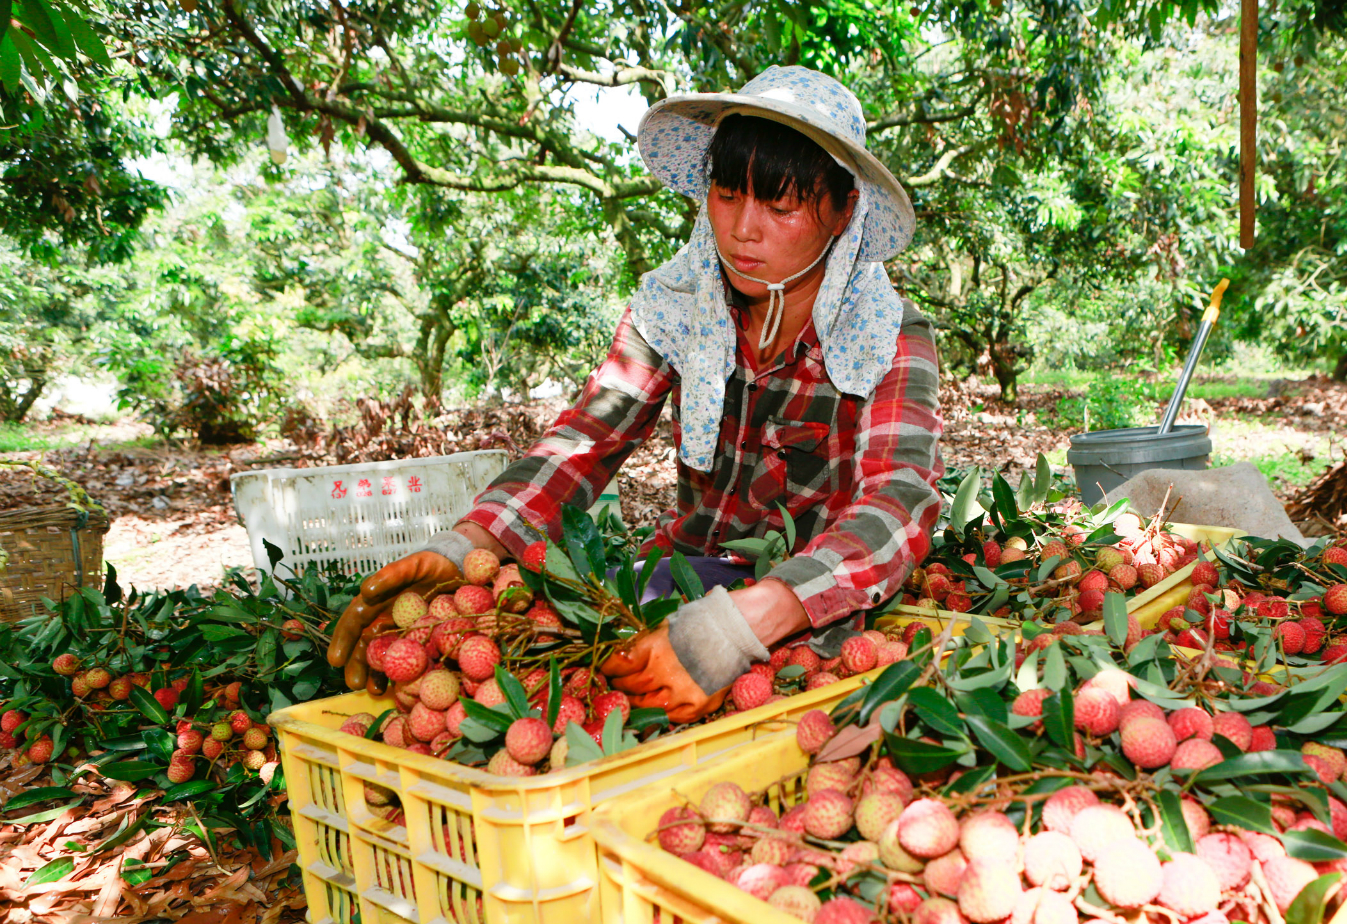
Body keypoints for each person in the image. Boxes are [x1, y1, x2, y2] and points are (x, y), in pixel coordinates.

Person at [326, 66, 943, 723]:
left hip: (813, 608)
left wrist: (745, 623)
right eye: (727, 194)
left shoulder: (883, 334)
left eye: (780, 207)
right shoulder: (680, 306)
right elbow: (588, 438)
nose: (743, 229)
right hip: (682, 579)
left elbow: (897, 500)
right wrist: (469, 546)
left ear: (845, 210)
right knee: (547, 656)